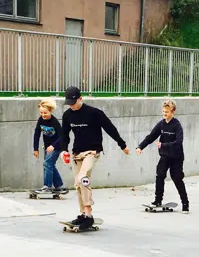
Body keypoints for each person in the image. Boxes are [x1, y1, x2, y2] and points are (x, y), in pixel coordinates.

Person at [60, 86, 130, 229]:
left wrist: (122, 144)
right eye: (69, 104)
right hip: (76, 153)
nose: (71, 106)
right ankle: (83, 215)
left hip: (92, 151)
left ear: (80, 98)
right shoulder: (67, 115)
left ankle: (89, 214)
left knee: (83, 179)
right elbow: (64, 135)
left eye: (73, 103)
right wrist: (63, 150)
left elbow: (110, 128)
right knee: (78, 184)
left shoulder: (94, 113)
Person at [136, 99, 189, 213]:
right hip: (165, 156)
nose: (165, 114)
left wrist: (163, 145)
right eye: (163, 112)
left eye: (167, 112)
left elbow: (179, 141)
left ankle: (185, 203)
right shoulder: (161, 124)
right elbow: (151, 137)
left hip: (176, 157)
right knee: (160, 175)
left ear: (173, 111)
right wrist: (140, 147)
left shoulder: (177, 125)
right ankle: (158, 200)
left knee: (177, 178)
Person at [32, 98, 65, 193]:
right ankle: (59, 186)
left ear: (50, 111)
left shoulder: (54, 122)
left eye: (45, 113)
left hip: (57, 146)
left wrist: (53, 146)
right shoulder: (40, 120)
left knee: (47, 164)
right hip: (47, 147)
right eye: (41, 113)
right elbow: (37, 134)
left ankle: (47, 186)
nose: (43, 115)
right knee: (50, 165)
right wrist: (35, 149)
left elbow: (62, 136)